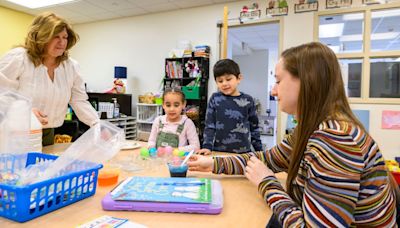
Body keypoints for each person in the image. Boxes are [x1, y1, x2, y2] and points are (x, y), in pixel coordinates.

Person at [188, 42, 398, 227]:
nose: (273, 91)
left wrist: (266, 182)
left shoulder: (336, 139)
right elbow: (267, 159)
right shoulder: (312, 128)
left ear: (307, 82)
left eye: (278, 81)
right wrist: (213, 163)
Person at [0, 12, 99, 146]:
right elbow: (2, 96)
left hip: (47, 132)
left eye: (65, 37)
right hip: (14, 132)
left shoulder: (70, 66)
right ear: (41, 37)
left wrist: (97, 124)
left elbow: (79, 100)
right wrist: (23, 111)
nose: (62, 42)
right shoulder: (18, 59)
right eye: (55, 36)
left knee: (42, 165)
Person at [197, 59, 262, 155]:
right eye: (220, 81)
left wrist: (260, 151)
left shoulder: (248, 100)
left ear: (239, 78)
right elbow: (210, 126)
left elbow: (254, 128)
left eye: (228, 79)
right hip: (218, 152)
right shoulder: (215, 98)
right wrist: (207, 147)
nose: (224, 83)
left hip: (243, 154)